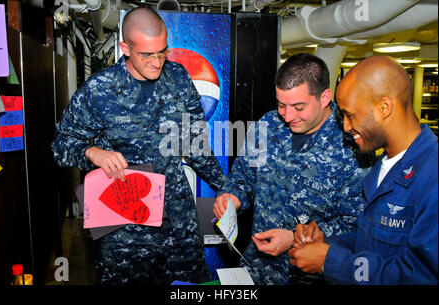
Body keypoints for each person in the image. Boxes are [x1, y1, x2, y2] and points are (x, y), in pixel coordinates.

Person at [51, 7, 226, 285]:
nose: (157, 62)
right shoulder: (101, 88)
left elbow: (195, 143)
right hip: (123, 228)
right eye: (147, 54)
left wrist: (225, 186)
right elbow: (61, 144)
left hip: (177, 222)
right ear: (125, 48)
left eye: (162, 52)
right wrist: (92, 152)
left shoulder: (178, 77)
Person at [213, 53, 373, 285]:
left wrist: (293, 238)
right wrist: (233, 197)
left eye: (299, 107)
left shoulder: (354, 144)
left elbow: (357, 223)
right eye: (281, 105)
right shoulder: (268, 125)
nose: (287, 116)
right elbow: (244, 175)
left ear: (325, 97)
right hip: (254, 269)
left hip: (307, 277)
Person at [289, 55, 438, 285]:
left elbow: (421, 277)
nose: (346, 127)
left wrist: (331, 261)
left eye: (350, 115)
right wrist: (327, 243)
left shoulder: (432, 176)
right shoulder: (384, 167)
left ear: (384, 108)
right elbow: (370, 241)